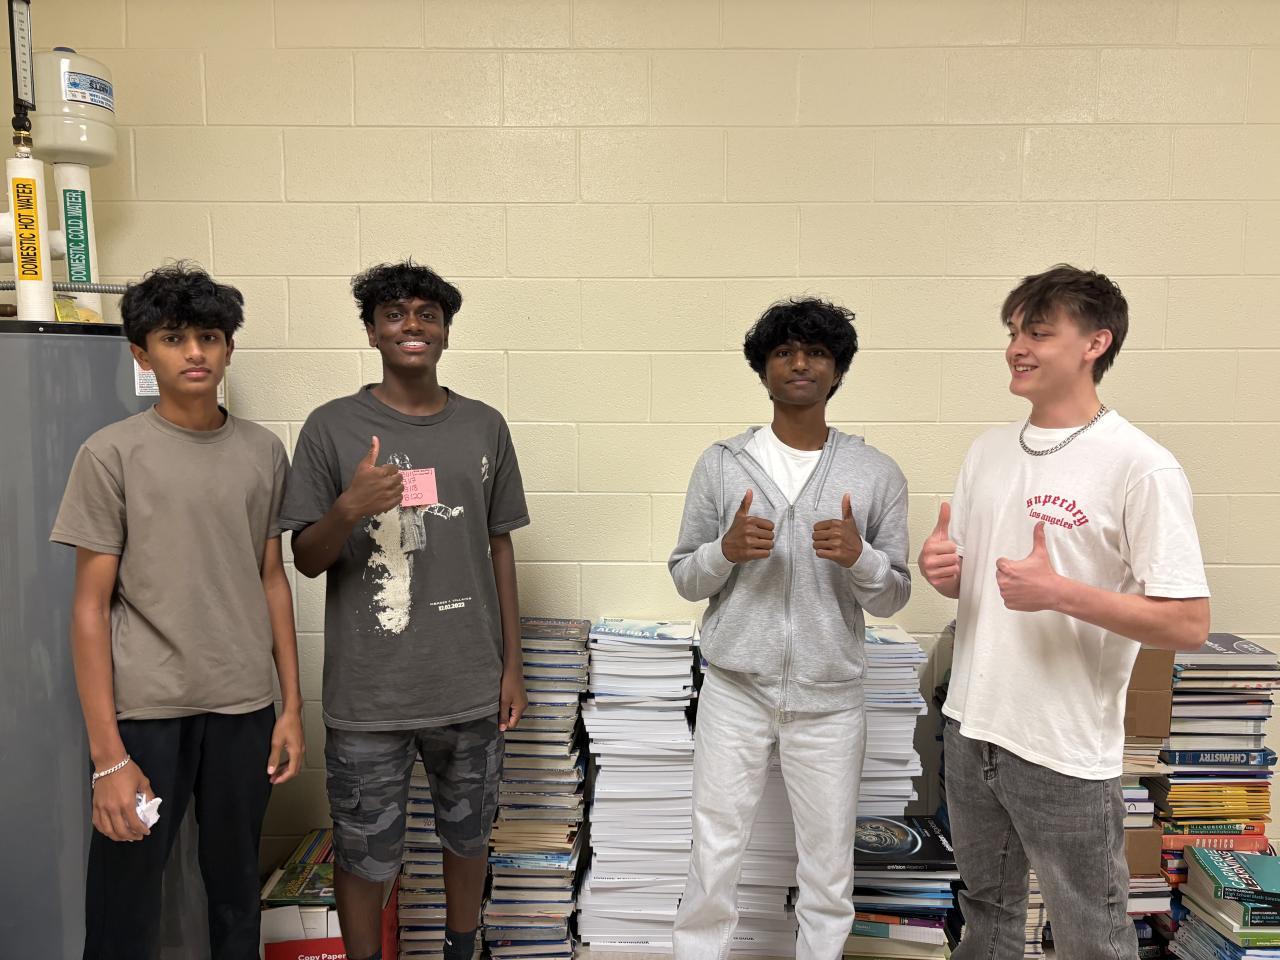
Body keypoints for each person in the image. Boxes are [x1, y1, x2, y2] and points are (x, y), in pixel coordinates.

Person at [918, 264, 1211, 960]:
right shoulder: (987, 451)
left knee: (1091, 934)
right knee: (985, 919)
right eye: (1014, 331)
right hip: (972, 727)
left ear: (1094, 343)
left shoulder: (1141, 466)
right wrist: (944, 572)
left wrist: (1061, 593)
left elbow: (1188, 622)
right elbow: (982, 588)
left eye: (1039, 332)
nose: (1017, 347)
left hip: (1062, 746)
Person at [51, 262, 304, 960]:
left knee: (235, 895)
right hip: (147, 714)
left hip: (244, 709)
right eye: (173, 338)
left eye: (209, 337)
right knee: (125, 900)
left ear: (228, 348)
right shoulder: (110, 454)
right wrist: (109, 758)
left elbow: (272, 579)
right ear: (142, 354)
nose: (195, 352)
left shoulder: (262, 451)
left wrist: (290, 707)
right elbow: (88, 608)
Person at [280, 260, 530, 960]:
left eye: (426, 314)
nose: (411, 325)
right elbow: (306, 558)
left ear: (445, 331)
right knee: (364, 854)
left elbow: (499, 546)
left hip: (468, 685)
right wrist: (348, 507)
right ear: (371, 332)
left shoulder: (484, 426)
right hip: (370, 696)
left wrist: (511, 667)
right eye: (394, 314)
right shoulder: (331, 427)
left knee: (467, 836)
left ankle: (460, 949)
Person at [669, 297, 912, 960]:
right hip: (734, 690)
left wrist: (860, 558)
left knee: (829, 866)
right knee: (713, 851)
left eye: (816, 353)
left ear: (838, 371)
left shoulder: (876, 473)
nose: (799, 364)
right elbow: (686, 576)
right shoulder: (723, 463)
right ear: (764, 369)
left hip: (831, 700)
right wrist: (724, 552)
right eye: (784, 352)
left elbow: (894, 595)